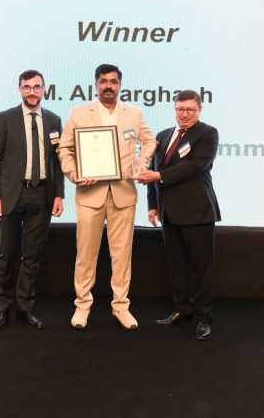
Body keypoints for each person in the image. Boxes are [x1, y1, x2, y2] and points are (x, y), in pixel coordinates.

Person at [57, 64, 155, 331]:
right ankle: (82, 304)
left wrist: (141, 162)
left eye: (113, 81)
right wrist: (75, 173)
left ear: (120, 84)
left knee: (122, 254)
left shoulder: (134, 114)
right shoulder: (79, 113)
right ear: (96, 84)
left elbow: (149, 141)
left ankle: (120, 306)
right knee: (85, 253)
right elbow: (65, 149)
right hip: (89, 194)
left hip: (124, 193)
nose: (108, 86)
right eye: (103, 81)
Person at [136, 90, 221, 340]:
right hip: (168, 214)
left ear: (199, 110)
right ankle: (182, 309)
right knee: (176, 266)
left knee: (200, 268)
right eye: (180, 109)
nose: (184, 114)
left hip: (197, 212)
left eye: (190, 110)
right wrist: (152, 205)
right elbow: (152, 171)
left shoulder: (208, 133)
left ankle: (203, 317)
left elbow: (196, 166)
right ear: (175, 109)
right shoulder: (162, 136)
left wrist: (159, 176)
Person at [0, 70, 65, 331]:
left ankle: (25, 307)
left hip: (42, 195)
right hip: (12, 195)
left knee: (32, 256)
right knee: (6, 255)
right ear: (20, 89)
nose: (32, 92)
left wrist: (59, 194)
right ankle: (2, 309)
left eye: (37, 87)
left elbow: (58, 162)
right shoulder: (5, 118)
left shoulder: (54, 120)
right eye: (27, 87)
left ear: (44, 89)